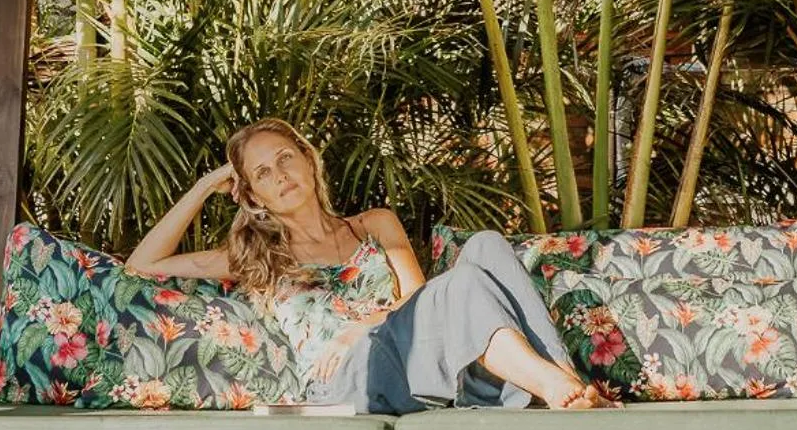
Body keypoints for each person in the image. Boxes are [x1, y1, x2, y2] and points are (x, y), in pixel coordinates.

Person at [126, 117, 611, 413]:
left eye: (286, 158)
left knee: (485, 244)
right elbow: (144, 263)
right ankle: (554, 386)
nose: (281, 175)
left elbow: (416, 299)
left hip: (409, 354)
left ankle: (563, 380)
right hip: (346, 382)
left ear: (309, 161)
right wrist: (205, 186)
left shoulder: (374, 224)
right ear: (253, 195)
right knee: (462, 281)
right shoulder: (258, 259)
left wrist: (365, 324)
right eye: (262, 173)